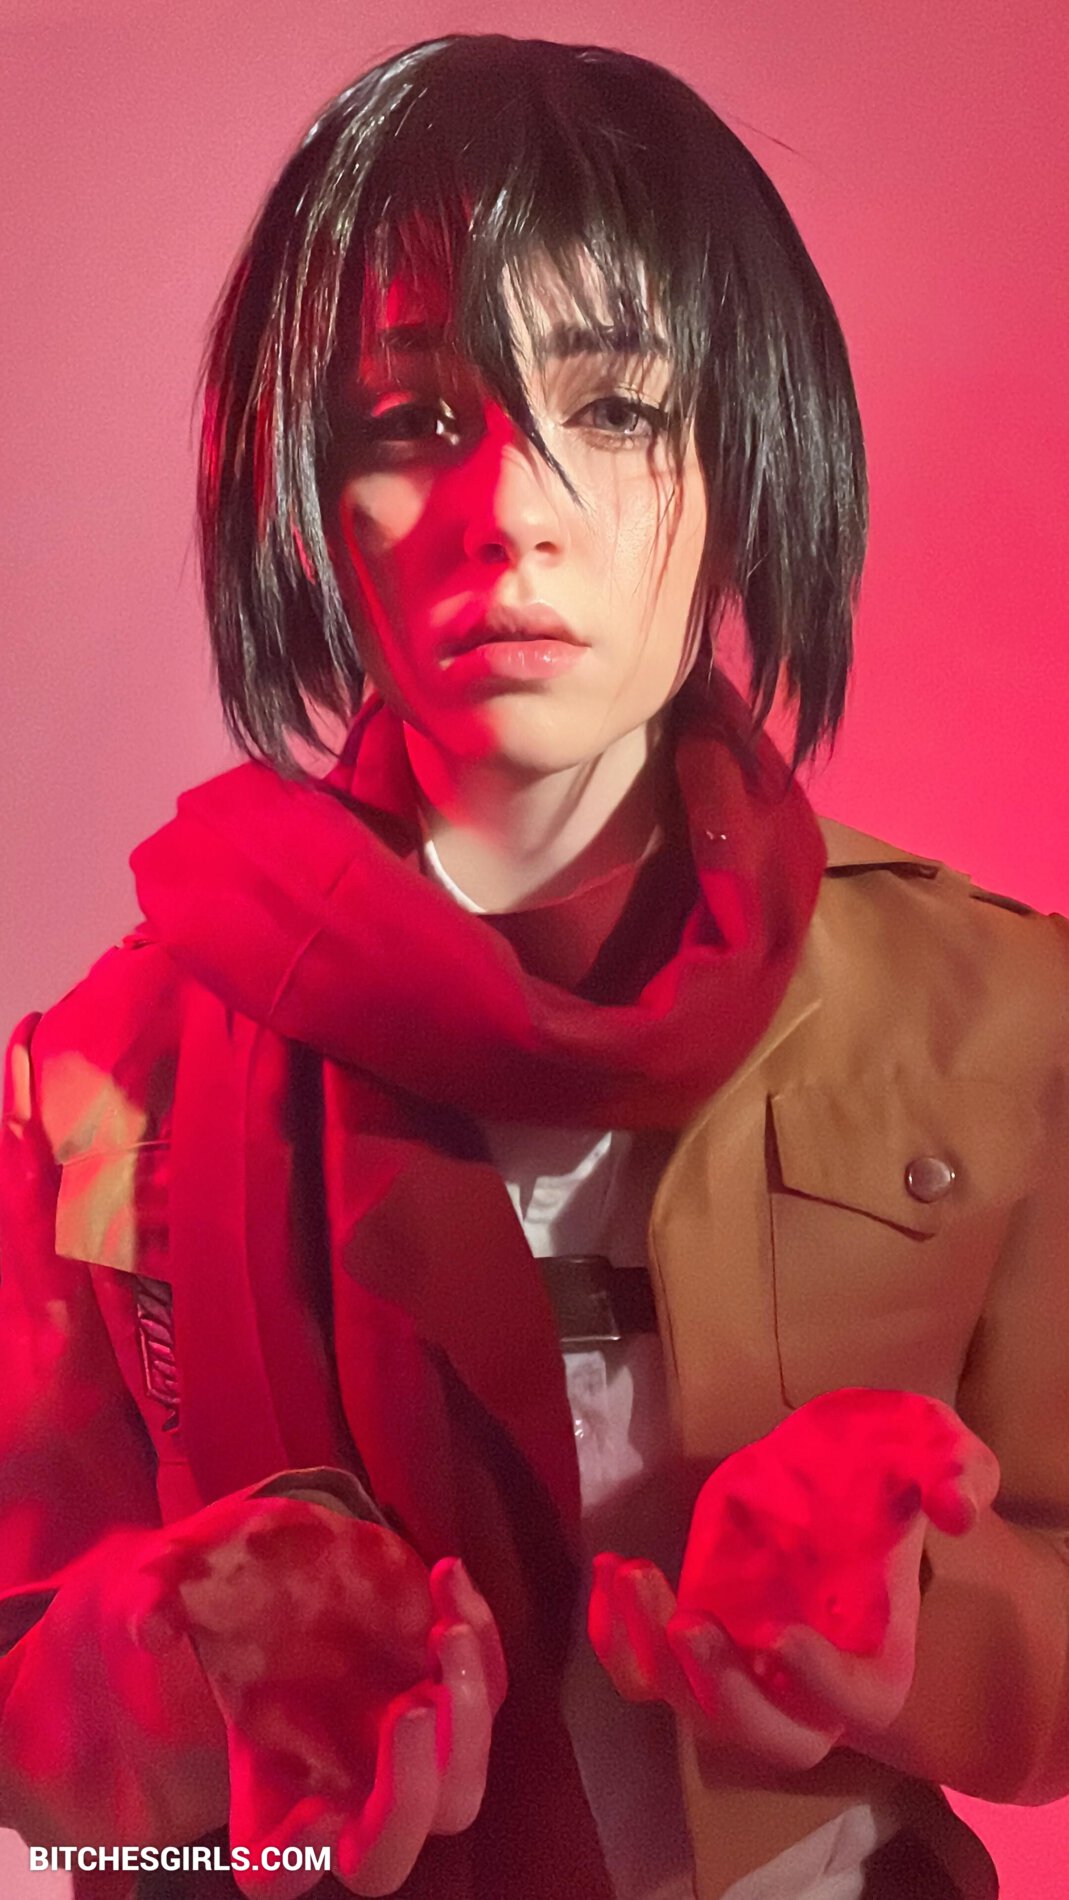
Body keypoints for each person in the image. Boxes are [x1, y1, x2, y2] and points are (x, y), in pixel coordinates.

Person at [1, 32, 1066, 1900]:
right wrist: (173, 1664)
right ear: (309, 489)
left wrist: (921, 1620)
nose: (511, 507)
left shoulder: (996, 1025)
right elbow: (28, 1705)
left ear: (746, 457)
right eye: (412, 420)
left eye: (623, 407)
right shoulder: (111, 1072)